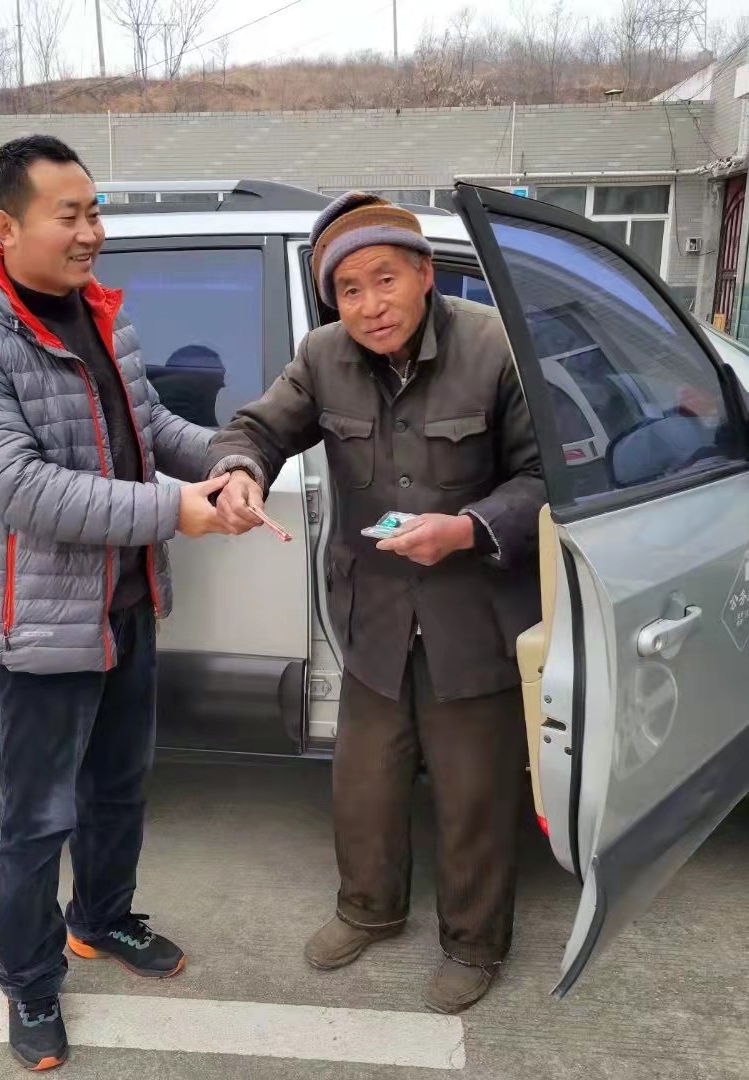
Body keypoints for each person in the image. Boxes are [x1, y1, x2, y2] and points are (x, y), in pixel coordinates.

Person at [0, 135, 231, 1071]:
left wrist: (236, 453)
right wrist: (177, 511)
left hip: (123, 606)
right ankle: (29, 980)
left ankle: (103, 918)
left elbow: (152, 425)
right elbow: (24, 489)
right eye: (71, 215)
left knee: (119, 787)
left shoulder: (99, 314)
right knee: (35, 819)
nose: (93, 231)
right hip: (40, 629)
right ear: (6, 226)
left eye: (96, 212)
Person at [207, 191, 545, 1014]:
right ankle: (368, 908)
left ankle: (474, 943)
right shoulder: (322, 355)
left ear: (425, 274)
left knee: (475, 791)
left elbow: (546, 477)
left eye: (385, 280)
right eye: (349, 290)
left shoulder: (494, 346)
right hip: (374, 615)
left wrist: (467, 530)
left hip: (474, 613)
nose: (370, 306)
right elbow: (256, 429)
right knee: (365, 780)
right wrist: (239, 472)